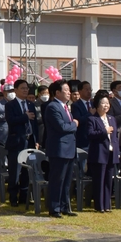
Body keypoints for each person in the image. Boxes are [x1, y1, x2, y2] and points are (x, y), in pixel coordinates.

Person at [43, 80, 76, 217]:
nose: (69, 92)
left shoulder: (65, 106)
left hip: (69, 148)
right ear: (57, 92)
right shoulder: (52, 107)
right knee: (57, 180)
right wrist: (74, 124)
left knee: (67, 180)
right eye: (66, 90)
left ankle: (64, 206)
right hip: (59, 149)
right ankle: (54, 208)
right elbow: (61, 127)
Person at [5, 79, 38, 207]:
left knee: (27, 171)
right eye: (23, 88)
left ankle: (24, 197)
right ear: (16, 90)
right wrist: (25, 117)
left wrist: (37, 140)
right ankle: (13, 197)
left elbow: (34, 123)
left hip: (29, 140)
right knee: (15, 171)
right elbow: (11, 120)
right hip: (16, 142)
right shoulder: (10, 105)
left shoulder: (31, 104)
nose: (25, 90)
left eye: (27, 88)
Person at [86, 92, 118, 213]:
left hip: (111, 152)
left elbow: (115, 137)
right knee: (99, 180)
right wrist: (104, 131)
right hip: (99, 153)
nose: (106, 106)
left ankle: (107, 204)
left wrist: (117, 152)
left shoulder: (111, 119)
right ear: (97, 105)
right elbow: (90, 134)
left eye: (107, 103)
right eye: (103, 103)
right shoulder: (92, 119)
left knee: (109, 180)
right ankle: (99, 205)